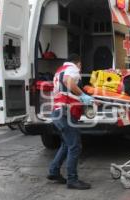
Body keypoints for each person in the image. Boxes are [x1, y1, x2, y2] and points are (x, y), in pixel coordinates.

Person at [47, 54, 93, 190]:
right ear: (78, 63)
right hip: (66, 113)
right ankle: (72, 180)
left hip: (57, 112)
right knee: (75, 146)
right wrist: (83, 96)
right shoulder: (72, 69)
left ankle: (54, 171)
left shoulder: (59, 70)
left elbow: (64, 88)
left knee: (66, 145)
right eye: (80, 66)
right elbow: (69, 81)